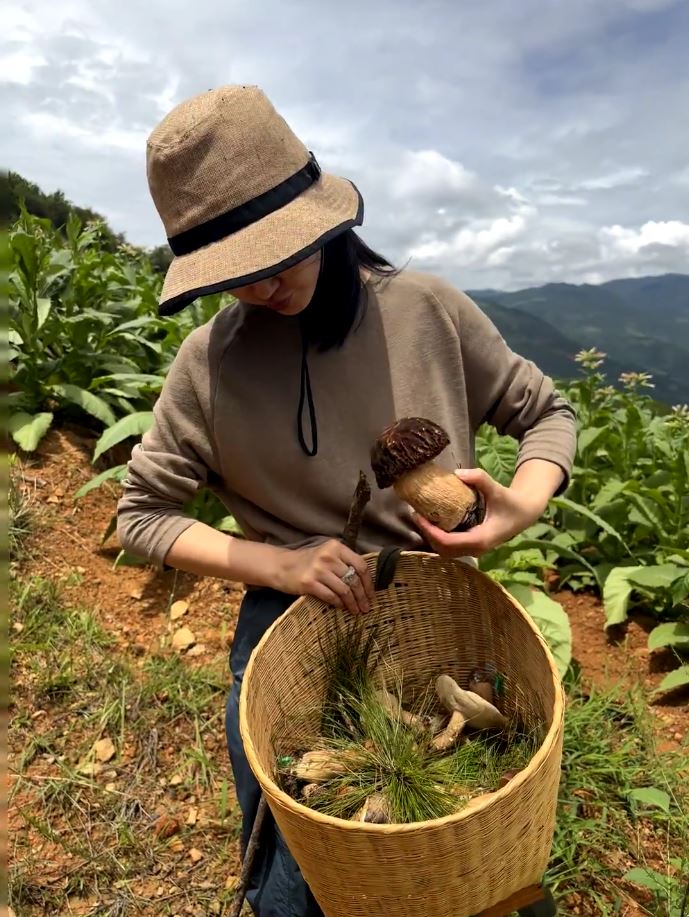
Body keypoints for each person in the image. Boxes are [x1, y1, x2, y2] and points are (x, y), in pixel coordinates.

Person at [117, 85, 577, 917]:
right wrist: (281, 564)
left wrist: (520, 505)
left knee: (477, 847)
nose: (259, 288)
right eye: (235, 275)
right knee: (298, 877)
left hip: (434, 595)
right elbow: (142, 515)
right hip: (286, 610)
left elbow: (544, 412)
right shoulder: (209, 363)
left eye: (273, 258)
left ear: (320, 220)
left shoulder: (425, 309)